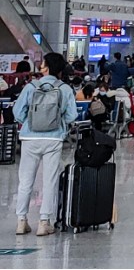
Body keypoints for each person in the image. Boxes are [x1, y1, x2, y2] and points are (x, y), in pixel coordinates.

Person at [13, 53, 77, 237]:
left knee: (25, 180)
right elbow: (72, 116)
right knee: (50, 181)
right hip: (53, 139)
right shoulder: (65, 89)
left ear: (46, 66)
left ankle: (21, 221)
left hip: (29, 138)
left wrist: (30, 123)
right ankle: (44, 222)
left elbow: (18, 112)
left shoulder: (31, 87)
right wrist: (58, 124)